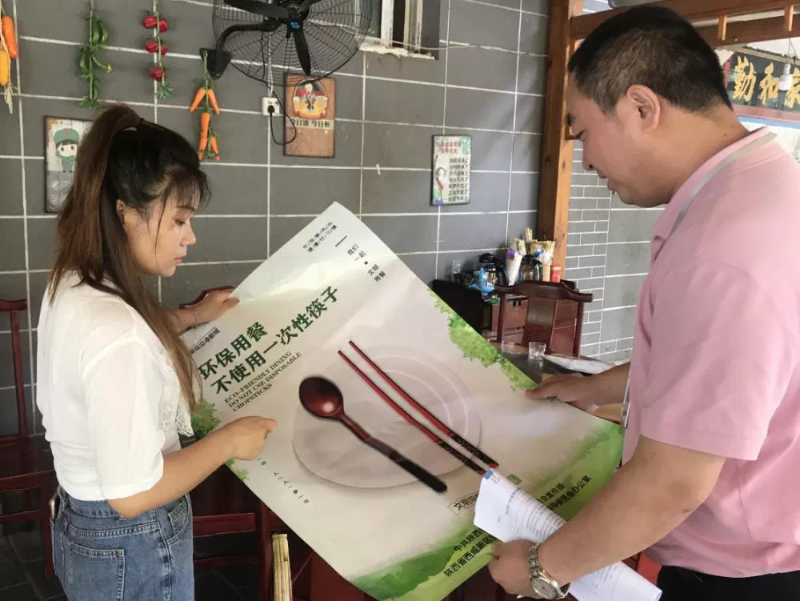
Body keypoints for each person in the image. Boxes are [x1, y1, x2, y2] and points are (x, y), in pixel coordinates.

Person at [489, 6, 800, 600]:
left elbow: (673, 482)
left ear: (641, 107)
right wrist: (600, 387)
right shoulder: (771, 185)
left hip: (749, 579)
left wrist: (541, 569)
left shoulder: (721, 245)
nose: (586, 160)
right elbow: (741, 370)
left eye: (583, 132)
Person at [37, 104, 278, 601]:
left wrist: (192, 316)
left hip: (84, 525)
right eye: (179, 221)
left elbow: (123, 338)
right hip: (133, 541)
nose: (190, 237)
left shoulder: (75, 282)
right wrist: (229, 442)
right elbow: (133, 494)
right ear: (125, 212)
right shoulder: (117, 332)